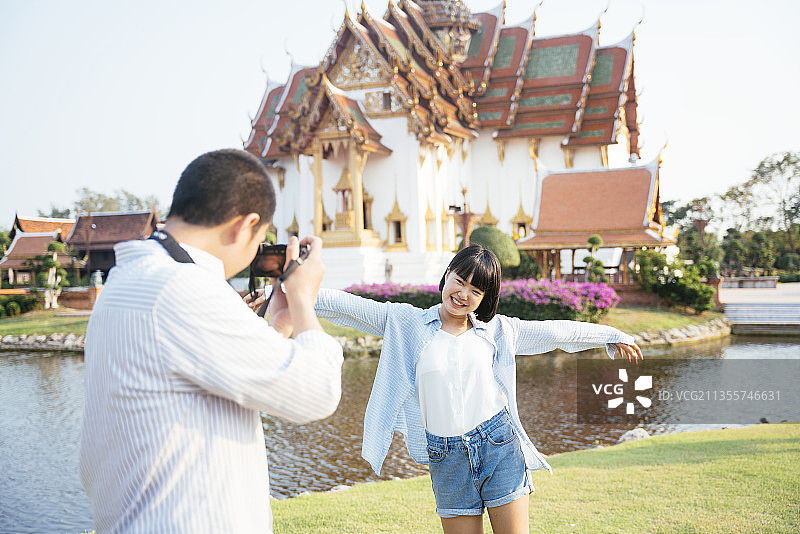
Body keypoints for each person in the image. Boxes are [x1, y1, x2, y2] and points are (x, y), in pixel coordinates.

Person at [252, 244, 641, 533]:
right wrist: (277, 296)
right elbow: (343, 305)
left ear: (485, 297)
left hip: (498, 446)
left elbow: (559, 331)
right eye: (460, 280)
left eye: (476, 290)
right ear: (448, 275)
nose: (464, 294)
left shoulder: (500, 332)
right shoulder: (404, 323)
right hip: (446, 454)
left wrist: (611, 334)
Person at [79, 149, 343, 533]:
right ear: (244, 226)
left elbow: (190, 382)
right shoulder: (181, 289)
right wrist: (302, 299)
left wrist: (278, 328)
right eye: (260, 238)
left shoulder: (131, 279)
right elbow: (317, 392)